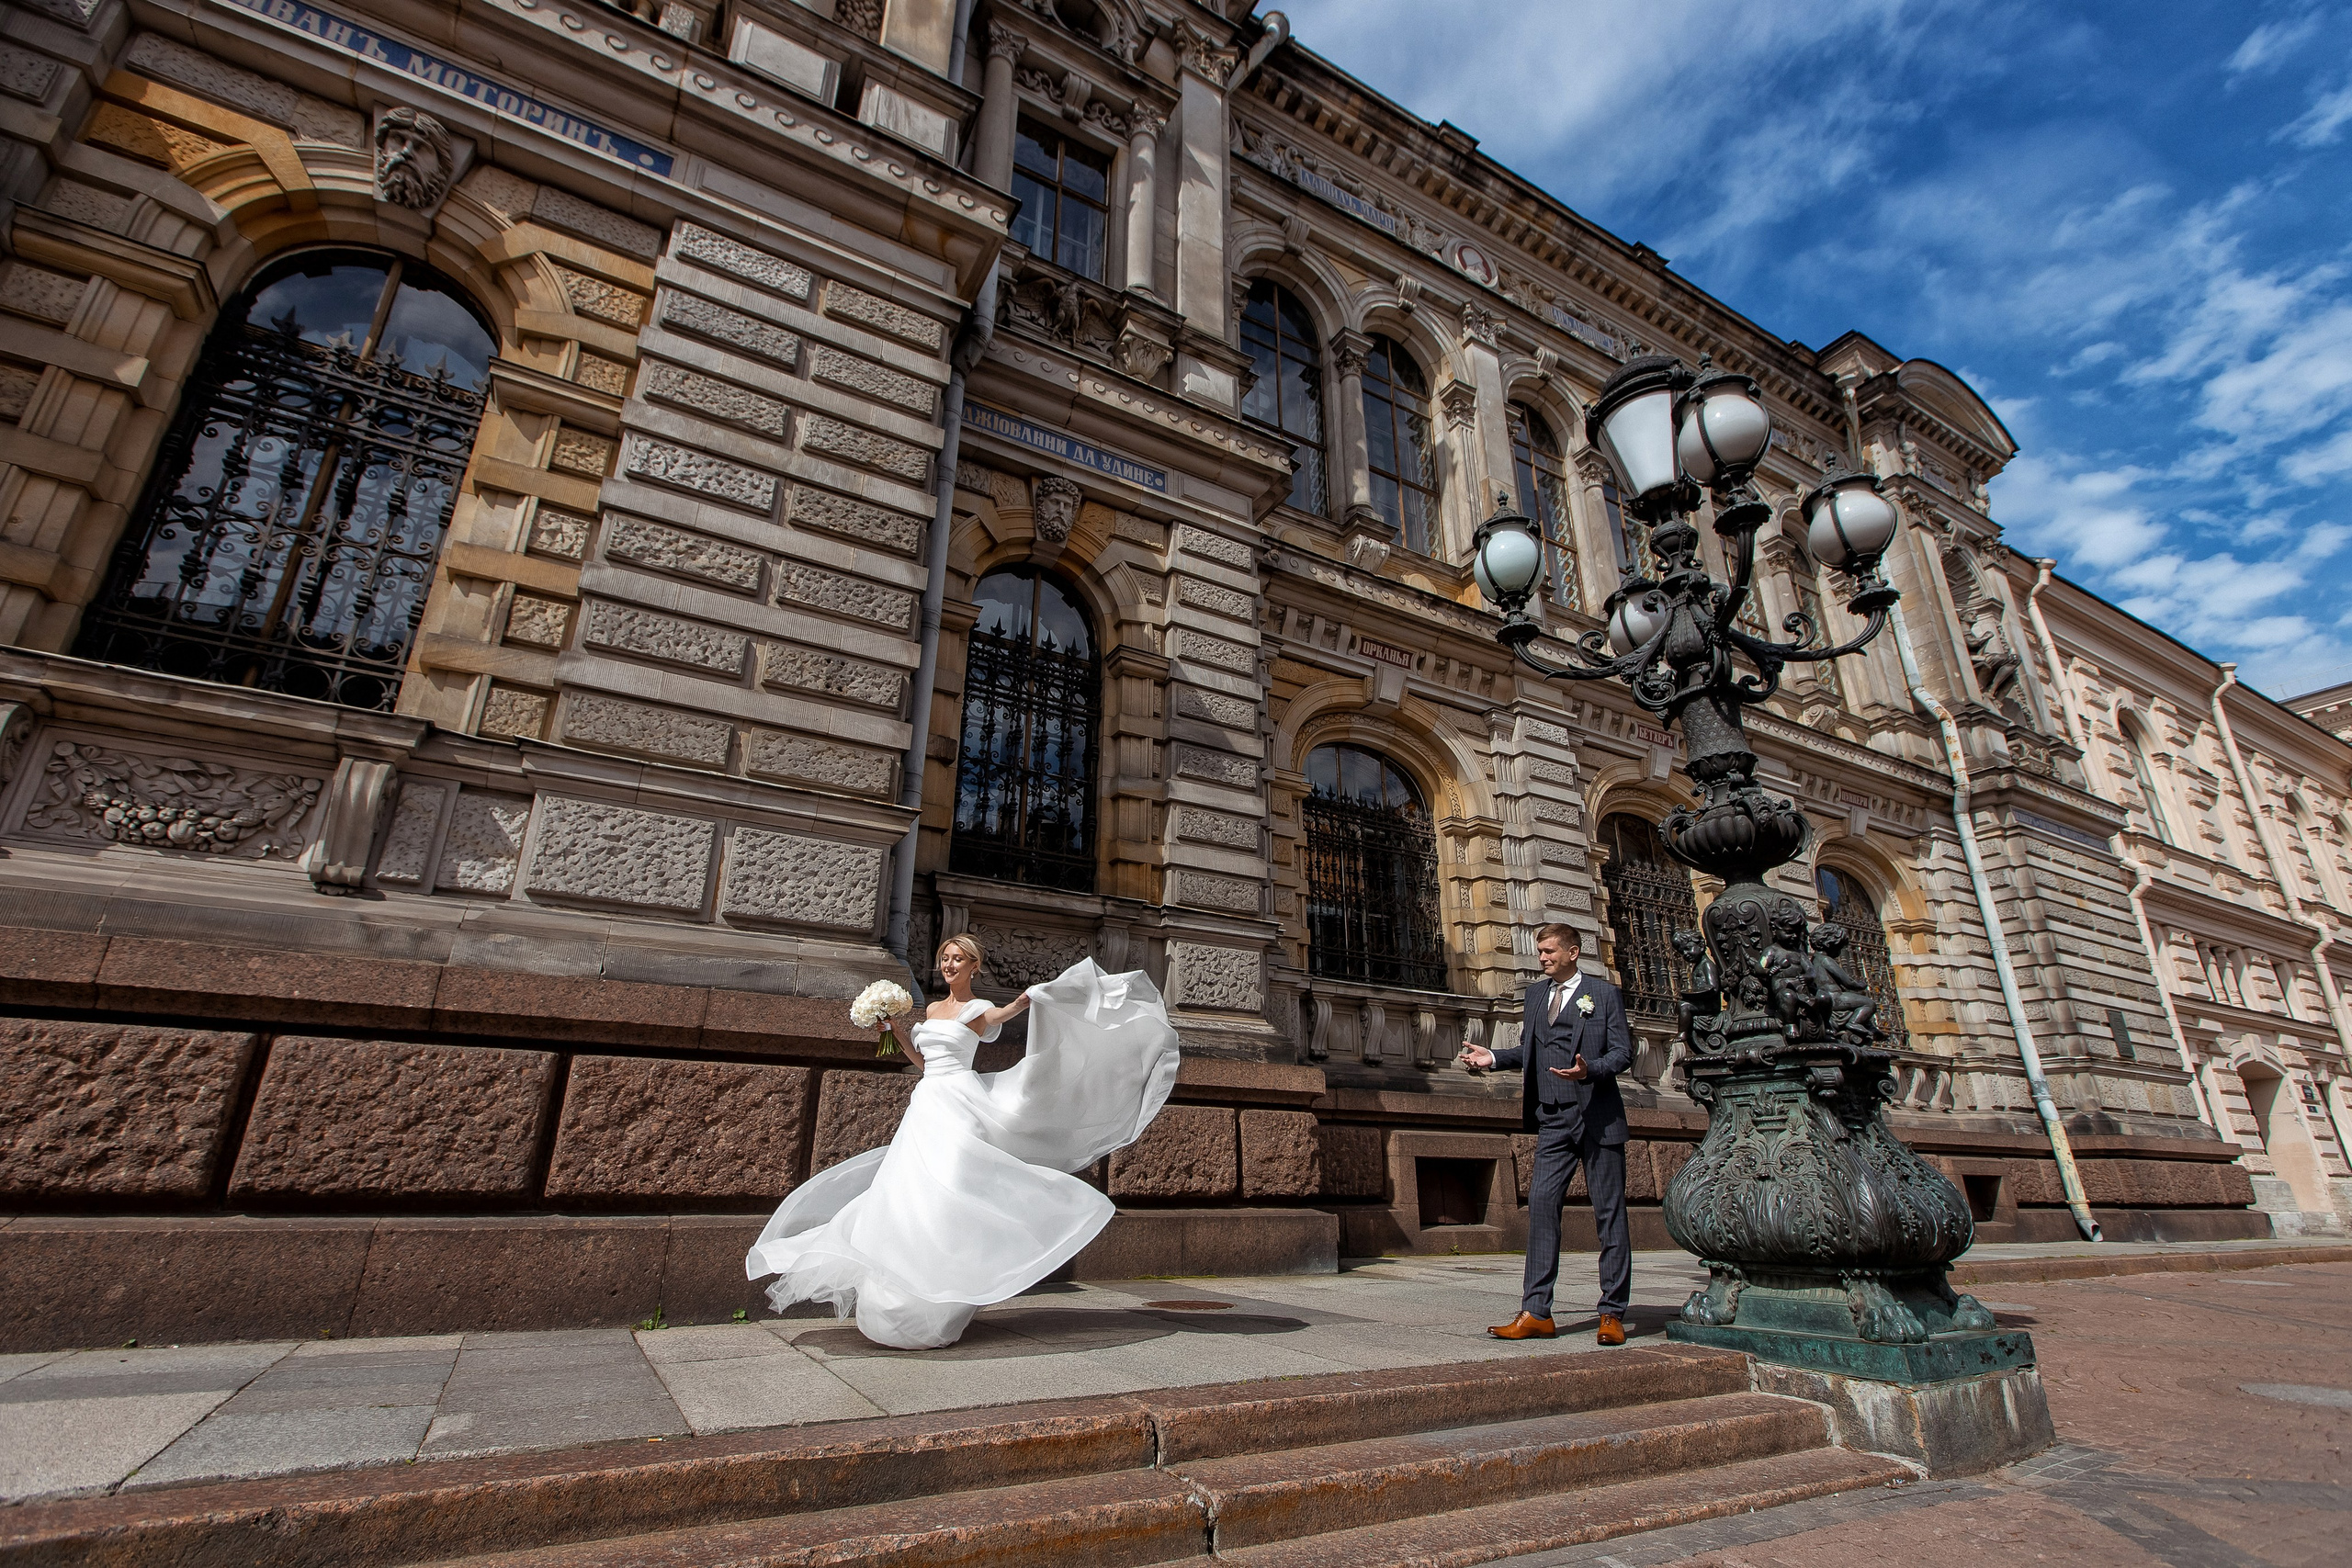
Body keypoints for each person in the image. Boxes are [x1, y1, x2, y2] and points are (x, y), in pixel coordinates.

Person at [745, 934, 1180, 1349]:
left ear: (974, 965)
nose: (949, 965)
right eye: (945, 958)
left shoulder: (978, 1008)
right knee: (907, 1197)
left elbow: (995, 1019)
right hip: (926, 1104)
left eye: (957, 959)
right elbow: (921, 1061)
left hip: (960, 1105)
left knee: (951, 1190)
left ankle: (942, 1300)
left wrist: (1021, 1003)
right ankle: (895, 1309)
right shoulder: (931, 1009)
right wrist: (893, 1031)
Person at [1457, 922, 1635, 1345]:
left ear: (1573, 952)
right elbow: (1531, 1051)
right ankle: (1536, 1312)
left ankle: (1612, 1313)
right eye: (1540, 952)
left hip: (1597, 1117)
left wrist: (1591, 1070)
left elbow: (1623, 1052)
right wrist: (1494, 1057)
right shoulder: (1536, 995)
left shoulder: (1603, 994)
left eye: (1550, 951)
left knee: (1609, 1214)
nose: (1542, 958)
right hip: (1553, 1117)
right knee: (1540, 1206)